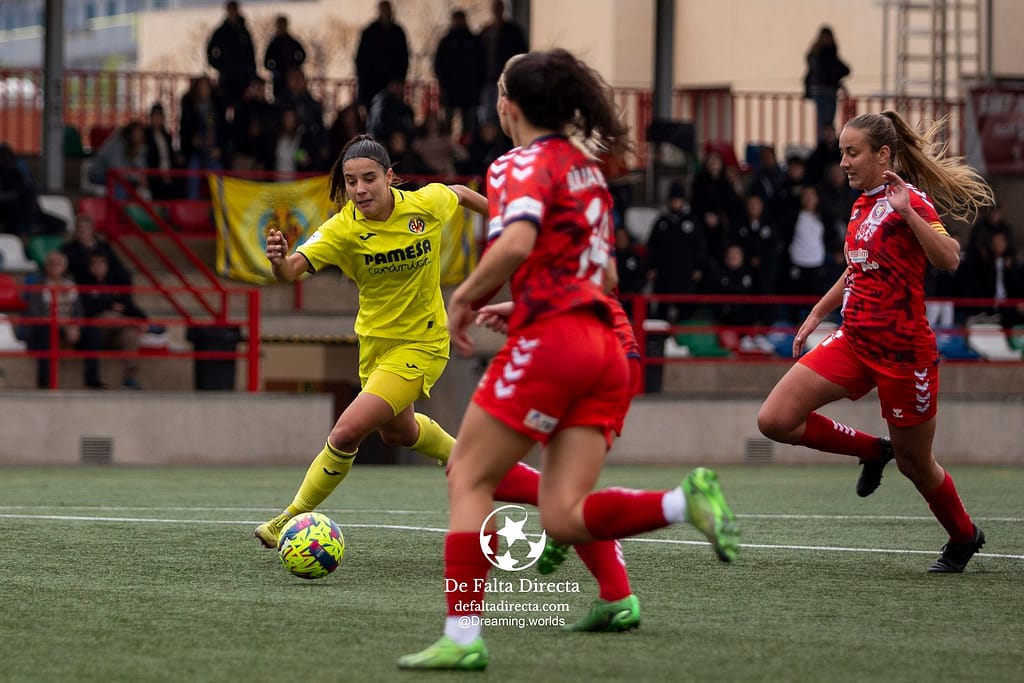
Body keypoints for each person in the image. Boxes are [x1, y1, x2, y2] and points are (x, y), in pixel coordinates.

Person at [398, 48, 739, 672]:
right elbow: (603, 270)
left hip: (554, 343)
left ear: (512, 105)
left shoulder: (515, 164)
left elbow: (520, 240)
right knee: (563, 514)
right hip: (603, 345)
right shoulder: (587, 168)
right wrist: (521, 304)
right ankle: (679, 503)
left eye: (501, 92)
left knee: (467, 476)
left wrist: (468, 297)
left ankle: (463, 637)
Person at [756, 111, 995, 574]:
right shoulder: (863, 202)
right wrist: (817, 313)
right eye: (842, 152)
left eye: (853, 152)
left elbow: (949, 258)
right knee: (775, 420)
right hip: (854, 342)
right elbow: (857, 265)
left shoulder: (910, 202)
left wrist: (907, 210)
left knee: (916, 465)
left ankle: (964, 537)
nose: (843, 162)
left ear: (883, 155)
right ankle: (871, 449)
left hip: (905, 355)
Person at [252, 134, 488, 548]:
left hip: (423, 343)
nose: (360, 189)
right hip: (375, 348)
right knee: (398, 433)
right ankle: (472, 462)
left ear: (390, 177)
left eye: (369, 179)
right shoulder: (342, 228)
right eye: (351, 181)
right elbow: (291, 272)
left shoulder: (424, 205)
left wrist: (514, 221)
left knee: (346, 431)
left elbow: (462, 193)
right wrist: (277, 261)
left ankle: (287, 519)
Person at [78, 252, 147, 389]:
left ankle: (129, 379)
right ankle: (129, 323)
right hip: (92, 334)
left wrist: (141, 320)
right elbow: (86, 309)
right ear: (89, 267)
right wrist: (109, 305)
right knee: (108, 316)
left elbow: (136, 311)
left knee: (131, 334)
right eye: (95, 263)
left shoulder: (114, 284)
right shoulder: (83, 284)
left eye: (101, 263)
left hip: (115, 335)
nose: (98, 266)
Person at [22, 250, 81, 388]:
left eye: (58, 263)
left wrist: (75, 326)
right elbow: (35, 314)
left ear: (64, 267)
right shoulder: (38, 285)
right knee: (46, 332)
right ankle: (45, 382)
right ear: (46, 266)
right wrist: (63, 326)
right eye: (51, 263)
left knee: (92, 333)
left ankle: (93, 381)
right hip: (44, 327)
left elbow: (79, 312)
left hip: (67, 327)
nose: (54, 267)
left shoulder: (71, 285)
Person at [433, 9, 485, 137]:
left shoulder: (473, 41)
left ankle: (467, 146)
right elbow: (438, 64)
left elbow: (481, 64)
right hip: (450, 89)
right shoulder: (446, 42)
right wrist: (443, 83)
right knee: (448, 121)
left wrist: (477, 84)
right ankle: (448, 145)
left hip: (469, 89)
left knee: (468, 123)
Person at [478, 0, 528, 125]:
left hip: (507, 79)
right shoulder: (486, 32)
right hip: (488, 80)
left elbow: (521, 54)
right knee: (488, 118)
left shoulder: (512, 31)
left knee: (506, 115)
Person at [354, 1, 409, 109]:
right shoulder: (369, 32)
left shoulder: (397, 33)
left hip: (392, 85)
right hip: (372, 85)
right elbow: (361, 60)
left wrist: (398, 80)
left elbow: (403, 59)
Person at [206, 0, 256, 109]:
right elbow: (210, 50)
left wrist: (252, 73)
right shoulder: (221, 32)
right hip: (226, 78)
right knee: (223, 106)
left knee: (242, 109)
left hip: (243, 78)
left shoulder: (244, 31)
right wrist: (218, 65)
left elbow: (251, 54)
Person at [804, 26, 850, 142]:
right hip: (825, 90)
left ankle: (826, 142)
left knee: (826, 120)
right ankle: (825, 142)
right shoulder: (825, 54)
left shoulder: (818, 53)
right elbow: (836, 70)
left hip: (824, 90)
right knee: (826, 120)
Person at [263, 15, 306, 104]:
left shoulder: (291, 41)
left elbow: (302, 54)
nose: (281, 27)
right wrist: (275, 70)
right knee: (280, 102)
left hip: (292, 79)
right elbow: (266, 61)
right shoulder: (274, 43)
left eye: (283, 25)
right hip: (279, 79)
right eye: (280, 25)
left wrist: (296, 67)